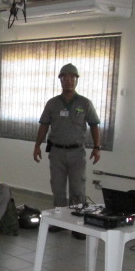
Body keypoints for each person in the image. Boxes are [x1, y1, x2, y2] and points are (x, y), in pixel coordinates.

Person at [33, 63, 101, 239]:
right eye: (65, 77)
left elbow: (94, 125)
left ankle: (78, 226)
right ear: (60, 80)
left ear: (76, 80)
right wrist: (37, 145)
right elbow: (44, 125)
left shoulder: (85, 103)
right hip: (56, 152)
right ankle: (59, 222)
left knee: (78, 190)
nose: (68, 81)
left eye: (72, 77)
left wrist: (97, 147)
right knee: (58, 189)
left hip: (77, 153)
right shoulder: (53, 103)